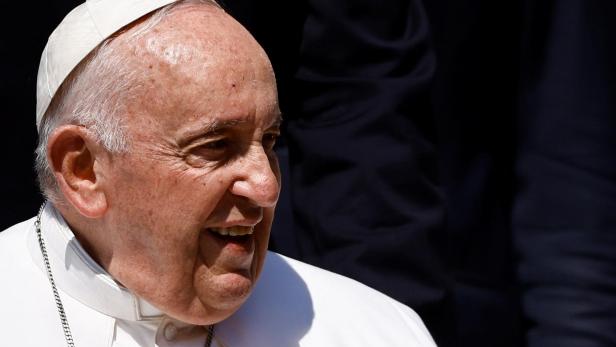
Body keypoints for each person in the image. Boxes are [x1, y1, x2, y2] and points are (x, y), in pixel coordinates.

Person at [0, 0, 436, 346]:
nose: (266, 187)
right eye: (214, 147)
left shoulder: (377, 330)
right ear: (84, 171)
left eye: (269, 141)